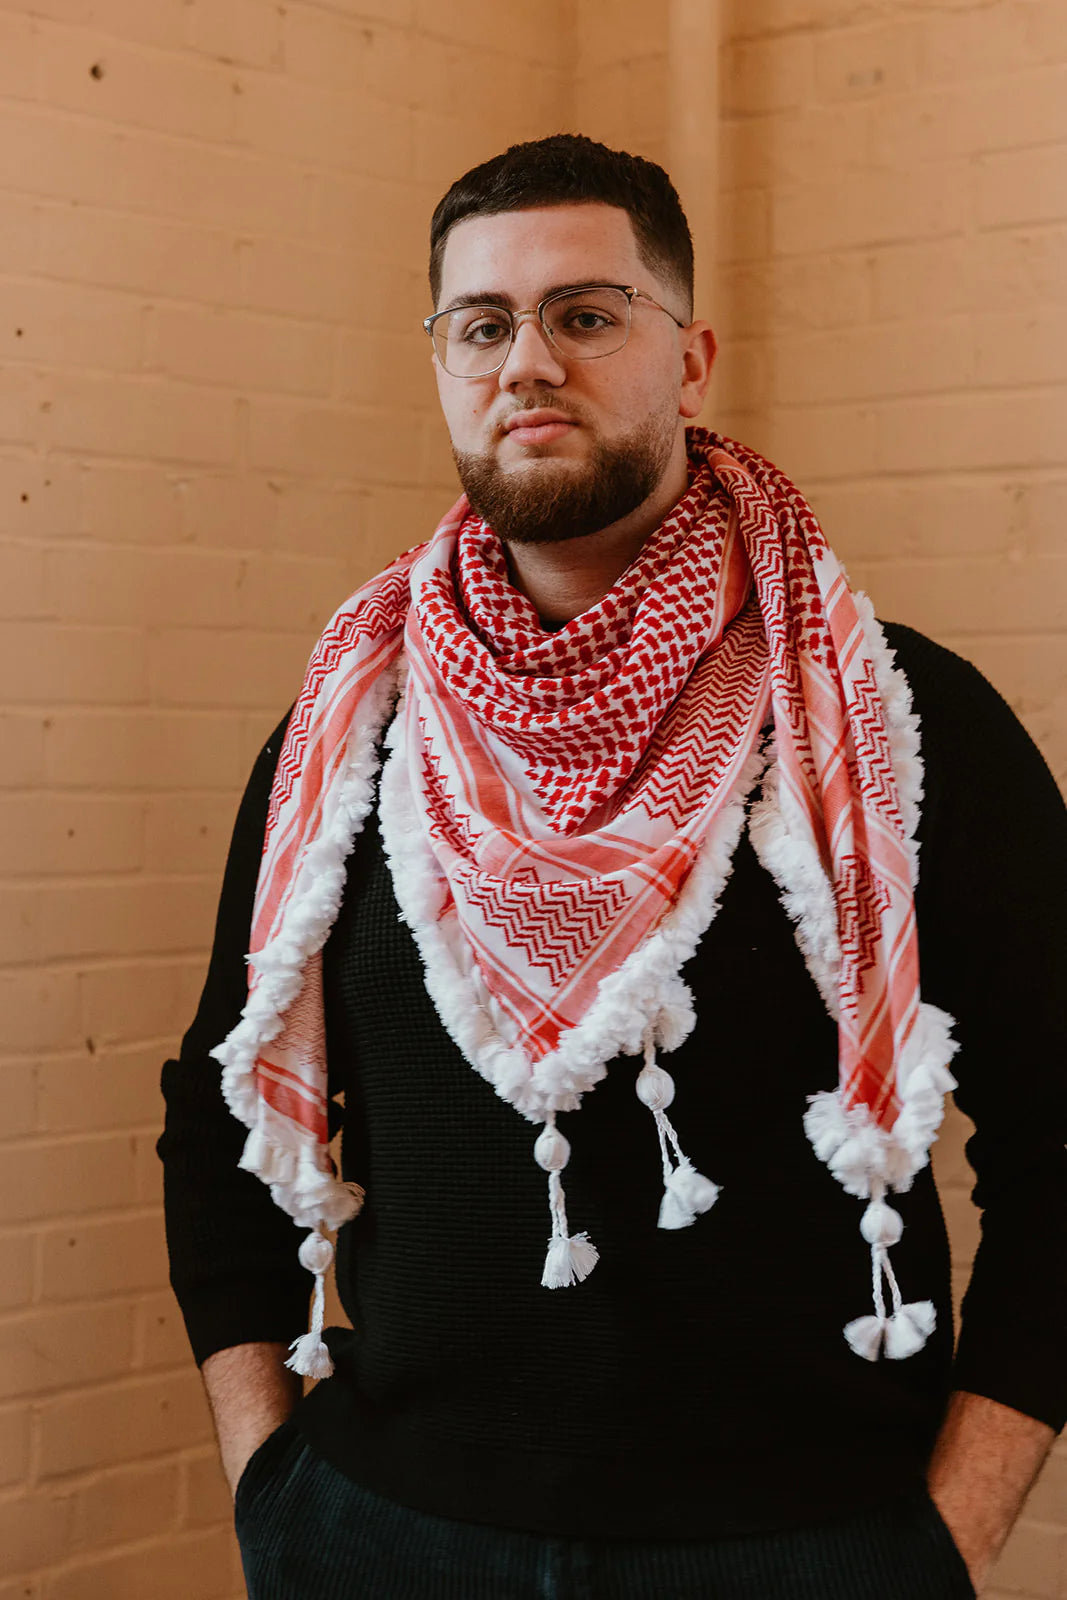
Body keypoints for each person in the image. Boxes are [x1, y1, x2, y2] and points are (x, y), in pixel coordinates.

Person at [159, 135, 1067, 1600]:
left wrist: (938, 1552)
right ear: (444, 365)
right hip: (385, 1538)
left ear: (690, 358)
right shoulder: (353, 727)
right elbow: (217, 1117)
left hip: (804, 1553)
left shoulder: (895, 719)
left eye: (586, 314)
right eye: (483, 324)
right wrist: (278, 1492)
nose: (529, 362)